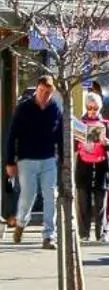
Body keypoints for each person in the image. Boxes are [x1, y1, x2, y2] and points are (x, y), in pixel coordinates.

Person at [5, 73, 66, 249]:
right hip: (27, 160)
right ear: (36, 89)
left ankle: (49, 236)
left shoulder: (55, 109)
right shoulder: (24, 108)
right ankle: (21, 223)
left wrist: (63, 160)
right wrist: (10, 161)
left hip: (48, 159)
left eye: (48, 92)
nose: (44, 95)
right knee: (28, 195)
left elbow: (60, 137)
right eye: (41, 91)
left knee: (50, 196)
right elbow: (12, 136)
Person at [73, 88, 109, 243]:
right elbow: (72, 145)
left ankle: (101, 233)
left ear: (100, 108)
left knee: (100, 202)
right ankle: (84, 234)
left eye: (95, 108)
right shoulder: (79, 124)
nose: (91, 111)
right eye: (89, 108)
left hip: (101, 167)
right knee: (82, 202)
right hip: (84, 166)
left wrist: (106, 143)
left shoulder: (106, 125)